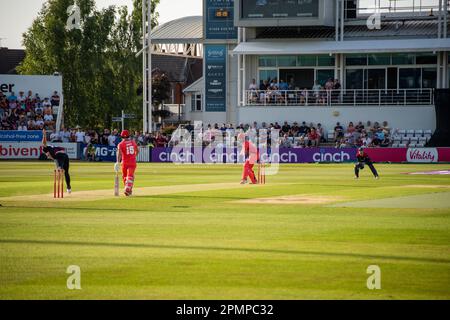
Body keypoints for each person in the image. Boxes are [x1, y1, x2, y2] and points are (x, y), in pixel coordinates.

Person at [42, 129, 72, 193]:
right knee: (66, 172)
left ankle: (59, 177)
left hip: (59, 155)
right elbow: (57, 158)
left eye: (46, 154)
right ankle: (68, 187)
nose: (47, 155)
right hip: (65, 155)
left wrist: (44, 135)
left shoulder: (47, 148)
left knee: (59, 169)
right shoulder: (53, 150)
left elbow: (44, 143)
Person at [116, 130, 139, 196]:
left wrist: (117, 162)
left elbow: (119, 153)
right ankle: (129, 190)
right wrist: (134, 156)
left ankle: (127, 189)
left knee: (125, 177)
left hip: (124, 162)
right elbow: (137, 151)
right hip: (132, 162)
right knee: (130, 176)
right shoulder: (133, 142)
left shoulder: (120, 144)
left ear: (121, 136)